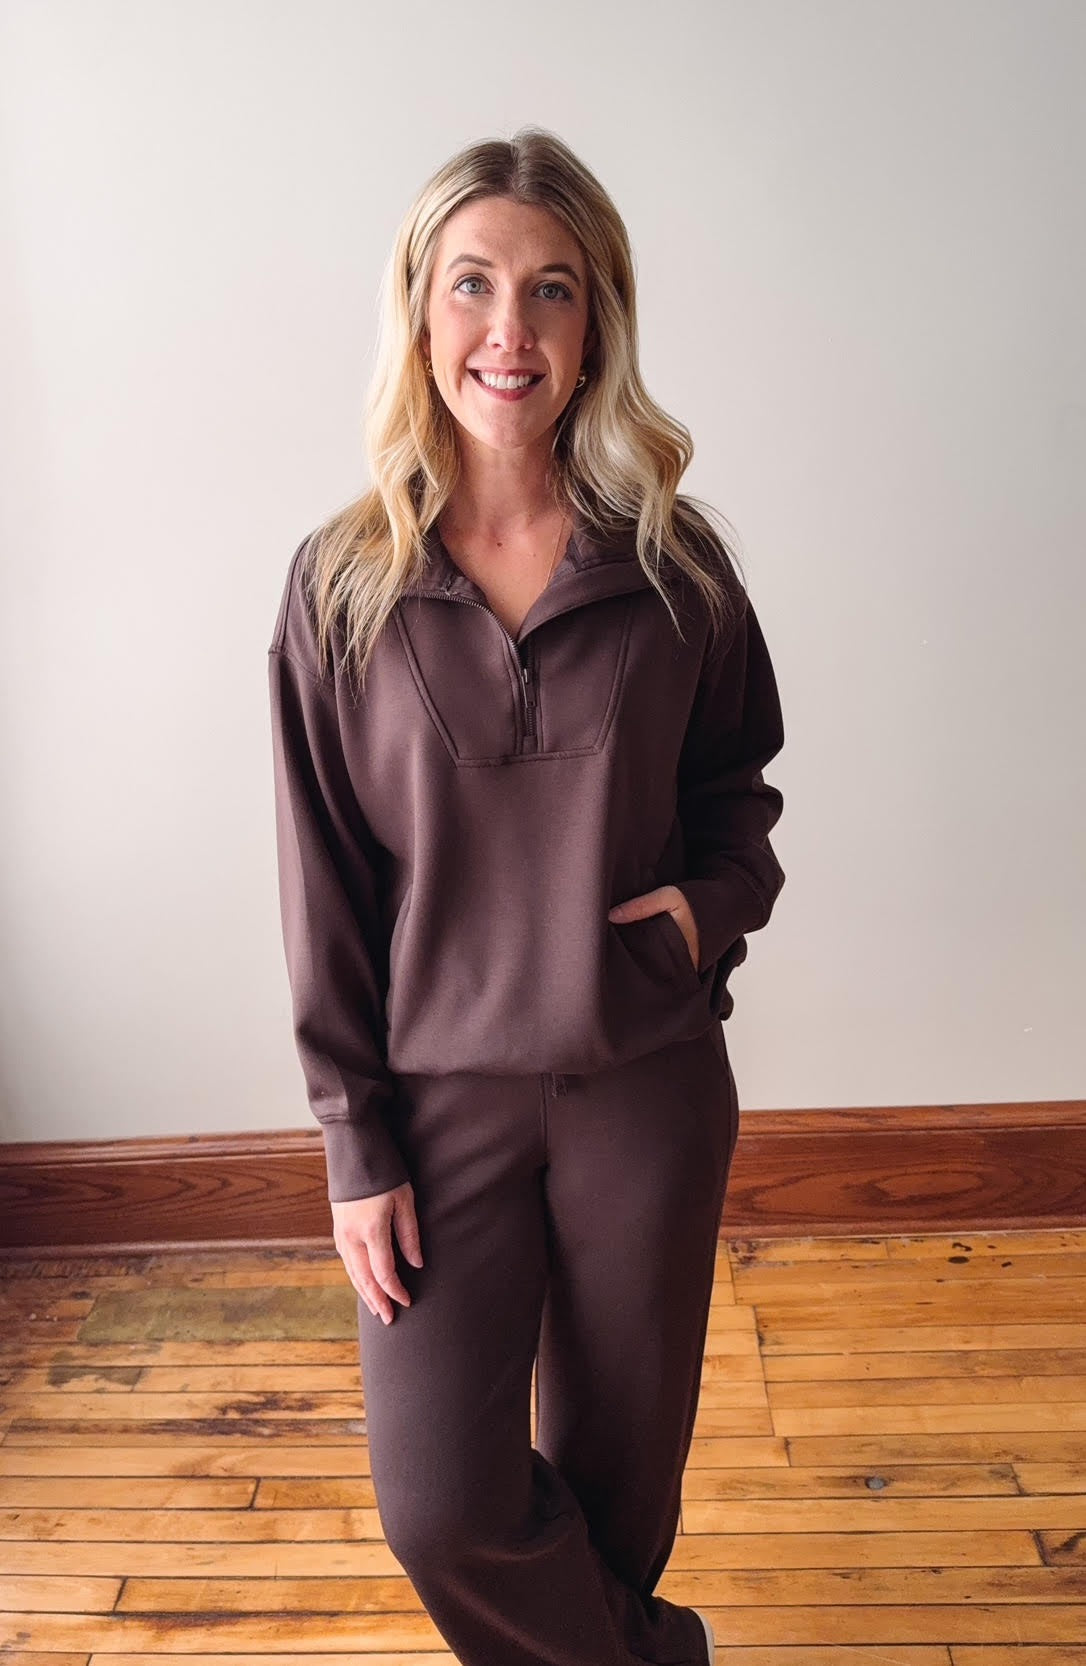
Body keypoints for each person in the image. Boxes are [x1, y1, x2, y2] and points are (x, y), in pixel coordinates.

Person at [267, 126, 785, 1666]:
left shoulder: (677, 568)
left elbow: (738, 802)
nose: (510, 328)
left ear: (595, 323)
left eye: (551, 288)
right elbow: (320, 878)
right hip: (436, 1111)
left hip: (644, 1088)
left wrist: (695, 921)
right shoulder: (340, 585)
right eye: (472, 283)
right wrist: (354, 1141)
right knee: (440, 1504)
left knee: (619, 1502)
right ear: (418, 311)